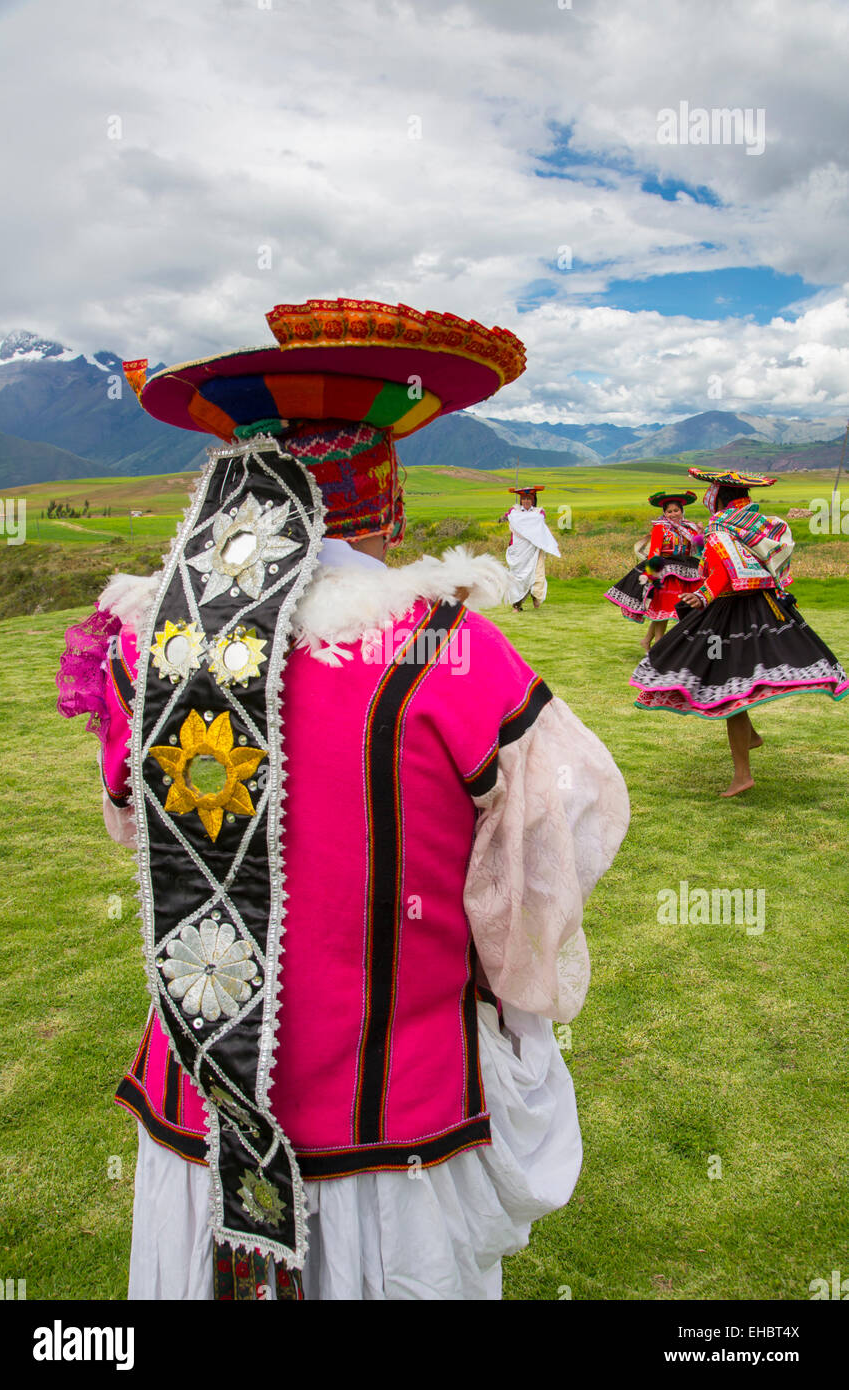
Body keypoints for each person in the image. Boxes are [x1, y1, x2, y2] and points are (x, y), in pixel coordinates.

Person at [56, 297, 630, 1301]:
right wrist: (507, 984)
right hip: (393, 1130)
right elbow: (556, 846)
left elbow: (129, 821)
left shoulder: (145, 646)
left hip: (199, 1112)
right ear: (379, 493)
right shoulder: (441, 652)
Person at [630, 467, 848, 797]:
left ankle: (743, 774)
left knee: (729, 685)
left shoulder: (716, 529)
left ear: (715, 499)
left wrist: (702, 594)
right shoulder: (752, 525)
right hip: (761, 606)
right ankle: (752, 737)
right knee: (738, 679)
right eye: (670, 509)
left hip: (729, 609)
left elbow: (722, 571)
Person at [604, 490, 704, 649]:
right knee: (663, 609)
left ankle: (647, 641)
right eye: (669, 511)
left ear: (682, 511)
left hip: (685, 572)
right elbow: (654, 552)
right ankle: (658, 646)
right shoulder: (660, 528)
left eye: (676, 510)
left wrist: (700, 534)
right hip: (665, 573)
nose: (673, 514)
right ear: (664, 513)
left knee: (666, 610)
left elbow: (699, 549)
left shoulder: (690, 528)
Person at [500, 485, 560, 611]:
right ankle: (517, 604)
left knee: (536, 574)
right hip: (518, 551)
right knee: (517, 578)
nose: (526, 501)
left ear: (533, 500)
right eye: (524, 498)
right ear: (521, 500)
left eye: (529, 498)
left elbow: (538, 523)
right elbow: (506, 518)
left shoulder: (538, 512)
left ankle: (535, 598)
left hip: (533, 550)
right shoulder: (514, 511)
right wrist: (506, 517)